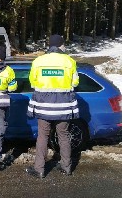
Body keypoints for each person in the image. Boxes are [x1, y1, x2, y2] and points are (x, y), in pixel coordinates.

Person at [26, 34, 79, 179]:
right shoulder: (69, 61)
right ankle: (66, 167)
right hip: (64, 107)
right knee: (64, 136)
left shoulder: (38, 61)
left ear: (49, 46)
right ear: (61, 45)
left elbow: (32, 83)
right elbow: (75, 83)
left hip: (44, 107)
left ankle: (39, 169)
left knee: (43, 136)